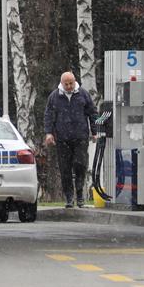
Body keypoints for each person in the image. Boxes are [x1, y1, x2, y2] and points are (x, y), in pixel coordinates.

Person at [44, 71, 97, 208]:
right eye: (66, 84)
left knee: (80, 165)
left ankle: (80, 196)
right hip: (62, 138)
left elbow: (92, 113)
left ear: (75, 81)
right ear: (61, 83)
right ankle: (69, 198)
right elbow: (49, 115)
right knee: (65, 169)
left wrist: (95, 131)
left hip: (80, 137)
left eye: (71, 83)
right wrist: (49, 133)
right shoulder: (54, 97)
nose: (68, 86)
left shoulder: (83, 94)